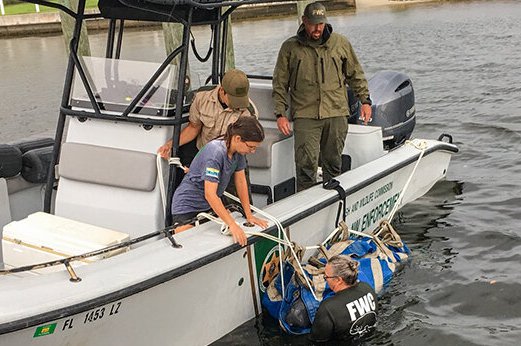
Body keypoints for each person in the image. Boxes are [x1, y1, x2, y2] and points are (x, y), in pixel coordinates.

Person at [272, 2, 372, 191]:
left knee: (334, 165)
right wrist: (280, 114)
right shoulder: (289, 48)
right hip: (305, 115)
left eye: (321, 24)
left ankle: (334, 205)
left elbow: (355, 75)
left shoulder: (341, 43)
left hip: (336, 112)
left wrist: (365, 101)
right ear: (304, 21)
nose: (317, 28)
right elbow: (279, 84)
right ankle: (307, 208)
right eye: (313, 24)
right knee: (305, 168)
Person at [170, 116, 268, 246]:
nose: (253, 151)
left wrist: (249, 214)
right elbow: (210, 194)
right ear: (237, 138)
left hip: (208, 206)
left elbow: (241, 182)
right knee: (189, 244)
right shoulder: (215, 153)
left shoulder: (238, 152)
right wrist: (232, 224)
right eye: (251, 147)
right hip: (187, 206)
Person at [157, 69, 259, 165]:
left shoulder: (248, 112)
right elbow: (193, 128)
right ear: (222, 90)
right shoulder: (202, 97)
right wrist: (169, 145)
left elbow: (242, 145)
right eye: (233, 99)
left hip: (231, 158)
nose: (237, 104)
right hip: (201, 152)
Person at [309, 255, 377, 342]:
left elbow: (317, 342)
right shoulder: (367, 288)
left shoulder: (328, 308)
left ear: (338, 280)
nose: (325, 280)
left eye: (326, 277)